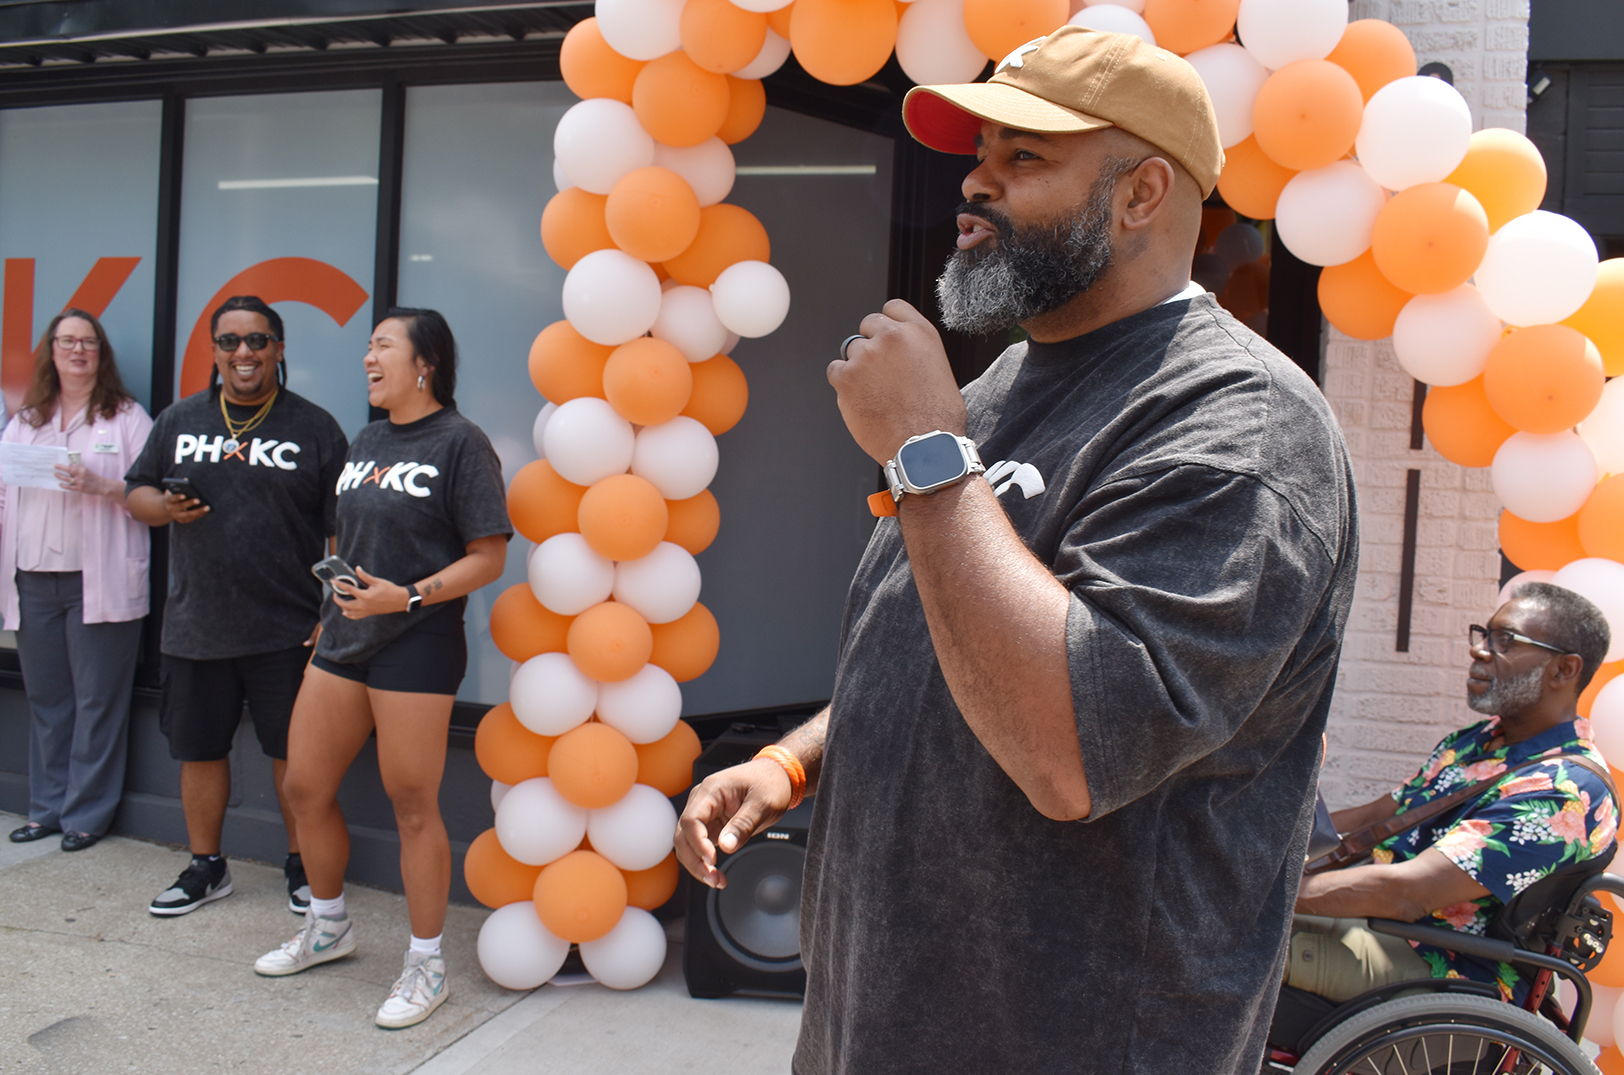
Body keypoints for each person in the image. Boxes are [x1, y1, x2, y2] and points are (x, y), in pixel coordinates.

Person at [675, 26, 1359, 1075]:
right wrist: (796, 758)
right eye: (980, 152)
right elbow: (936, 628)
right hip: (881, 1015)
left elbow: (1074, 748)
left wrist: (923, 454)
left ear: (1141, 195)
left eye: (1022, 158)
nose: (974, 184)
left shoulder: (1242, 424)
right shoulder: (994, 391)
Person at [252, 308, 509, 1030]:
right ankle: (328, 925)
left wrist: (411, 594)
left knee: (412, 803)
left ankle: (426, 965)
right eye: (368, 347)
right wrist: (333, 598)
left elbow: (489, 555)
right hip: (341, 636)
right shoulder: (364, 438)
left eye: (382, 346)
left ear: (424, 362)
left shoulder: (461, 442)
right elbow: (350, 531)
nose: (368, 358)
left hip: (416, 640)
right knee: (304, 785)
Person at [126, 295, 348, 917]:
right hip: (196, 625)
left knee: (293, 757)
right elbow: (136, 492)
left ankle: (303, 866)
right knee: (199, 752)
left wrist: (330, 609)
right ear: (215, 351)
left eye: (257, 341)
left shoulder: (315, 427)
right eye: (230, 341)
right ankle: (207, 867)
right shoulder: (179, 419)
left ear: (279, 349)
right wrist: (162, 508)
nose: (243, 353)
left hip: (288, 628)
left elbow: (343, 529)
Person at [1292, 583, 1616, 1004]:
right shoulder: (1476, 741)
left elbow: (1409, 892)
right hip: (1384, 926)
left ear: (1564, 670)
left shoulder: (1566, 791)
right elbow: (1377, 816)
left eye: (1505, 641)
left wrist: (1278, 894)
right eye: (1484, 635)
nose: (1480, 651)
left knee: (1216, 949)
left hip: (1448, 968)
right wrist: (1269, 847)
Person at [2, 309, 152, 853]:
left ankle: (86, 815)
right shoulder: (28, 421)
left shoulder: (128, 417)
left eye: (88, 342)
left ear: (101, 353)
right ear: (52, 351)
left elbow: (150, 496)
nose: (78, 351)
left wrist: (99, 484)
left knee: (96, 702)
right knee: (47, 699)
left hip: (99, 578)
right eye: (67, 341)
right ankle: (46, 809)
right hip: (34, 579)